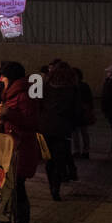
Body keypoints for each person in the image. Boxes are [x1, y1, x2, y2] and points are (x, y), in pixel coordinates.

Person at [0, 61, 40, 223]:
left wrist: (8, 114)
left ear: (10, 77)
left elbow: (31, 121)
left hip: (21, 149)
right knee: (15, 192)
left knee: (17, 193)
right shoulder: (11, 94)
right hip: (13, 148)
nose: (0, 80)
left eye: (2, 76)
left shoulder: (23, 95)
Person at [38, 60, 80, 201]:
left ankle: (52, 185)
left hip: (46, 126)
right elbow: (76, 110)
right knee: (59, 158)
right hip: (63, 128)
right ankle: (56, 186)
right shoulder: (72, 89)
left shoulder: (45, 87)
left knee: (49, 159)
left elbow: (39, 104)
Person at [72, 67, 94, 160]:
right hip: (78, 112)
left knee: (81, 133)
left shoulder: (79, 86)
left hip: (80, 112)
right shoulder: (82, 86)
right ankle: (82, 151)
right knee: (79, 133)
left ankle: (83, 151)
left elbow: (89, 99)